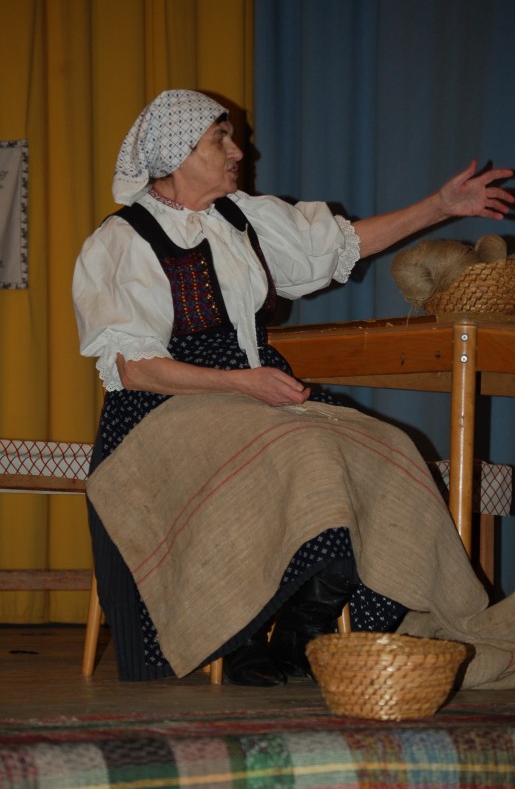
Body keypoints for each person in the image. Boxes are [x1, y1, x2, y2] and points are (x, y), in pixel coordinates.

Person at [73, 89, 514, 687]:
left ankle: (310, 624)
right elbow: (135, 369)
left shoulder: (241, 219)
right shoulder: (123, 241)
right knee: (300, 448)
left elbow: (340, 244)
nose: (239, 151)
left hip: (250, 393)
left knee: (387, 448)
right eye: (220, 140)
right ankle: (244, 632)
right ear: (177, 155)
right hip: (163, 408)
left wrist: (440, 206)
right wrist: (241, 382)